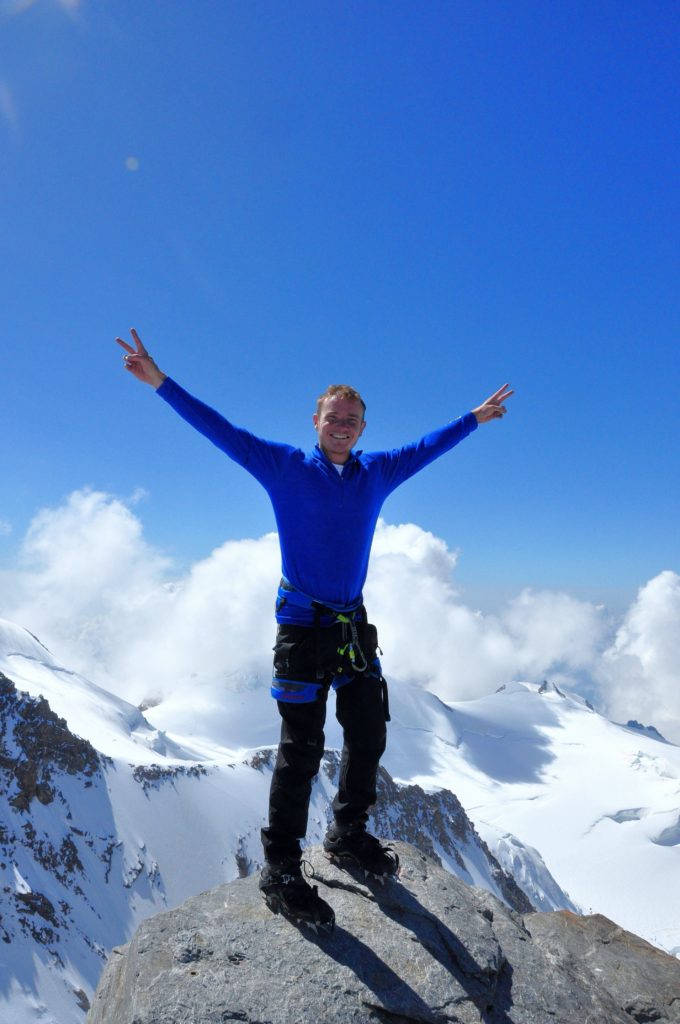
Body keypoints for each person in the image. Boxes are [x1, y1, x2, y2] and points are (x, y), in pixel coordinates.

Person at [116, 327, 513, 932]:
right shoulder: (282, 466)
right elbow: (220, 430)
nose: (343, 425)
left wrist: (473, 419)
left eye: (353, 418)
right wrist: (161, 383)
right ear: (316, 420)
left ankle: (348, 834)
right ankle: (280, 867)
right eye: (334, 416)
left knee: (368, 730)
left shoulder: (375, 472)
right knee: (300, 749)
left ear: (361, 427)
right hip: (302, 625)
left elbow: (427, 446)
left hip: (352, 627)